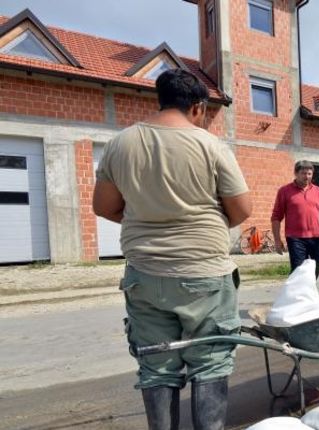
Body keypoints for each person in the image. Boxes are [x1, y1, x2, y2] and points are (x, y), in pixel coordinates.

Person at [92, 69, 252, 429]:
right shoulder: (210, 145)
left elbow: (103, 207)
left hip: (144, 276)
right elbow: (241, 210)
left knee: (156, 366)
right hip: (205, 274)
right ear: (197, 107)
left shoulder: (122, 143)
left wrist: (148, 219)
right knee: (209, 362)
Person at [271, 161, 319, 279]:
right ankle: (296, 296)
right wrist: (277, 240)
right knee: (298, 271)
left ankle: (309, 295)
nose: (307, 177)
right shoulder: (284, 191)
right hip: (295, 238)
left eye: (309, 174)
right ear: (296, 173)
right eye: (303, 173)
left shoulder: (318, 191)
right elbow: (276, 216)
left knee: (314, 270)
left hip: (316, 238)